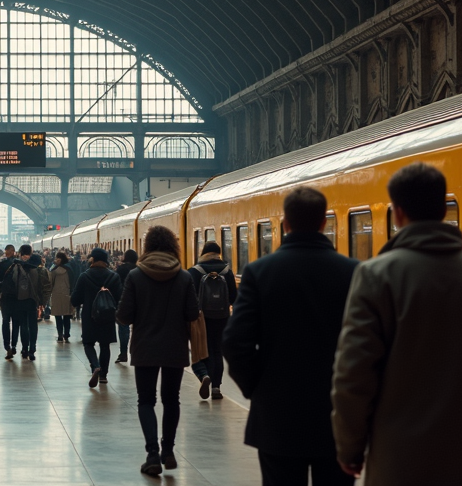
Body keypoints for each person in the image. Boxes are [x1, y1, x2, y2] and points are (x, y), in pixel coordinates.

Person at [332, 164, 462, 486]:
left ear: (397, 213)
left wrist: (350, 448)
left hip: (399, 457)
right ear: (444, 208)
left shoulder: (375, 276)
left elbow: (354, 373)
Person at [221, 187, 358, 486]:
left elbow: (234, 342)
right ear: (324, 223)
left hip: (277, 416)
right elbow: (367, 346)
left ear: (285, 224)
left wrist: (257, 389)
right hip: (336, 414)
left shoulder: (259, 272)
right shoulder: (354, 272)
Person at [116, 226, 198, 476]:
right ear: (173, 247)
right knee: (172, 400)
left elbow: (124, 315)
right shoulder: (184, 277)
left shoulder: (136, 276)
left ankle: (152, 454)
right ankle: (169, 450)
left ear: (148, 246)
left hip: (145, 347)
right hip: (175, 347)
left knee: (146, 400)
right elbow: (193, 314)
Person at [187, 242, 237, 400]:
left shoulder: (195, 271)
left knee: (203, 349)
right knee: (217, 350)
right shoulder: (227, 271)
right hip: (222, 317)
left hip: (202, 318)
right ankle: (216, 387)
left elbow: (189, 296)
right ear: (219, 253)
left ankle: (205, 376)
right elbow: (234, 297)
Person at [71, 248, 122, 386]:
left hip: (89, 315)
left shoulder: (84, 276)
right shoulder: (114, 277)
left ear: (92, 259)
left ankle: (95, 366)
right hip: (108, 315)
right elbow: (120, 298)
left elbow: (75, 299)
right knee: (105, 345)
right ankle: (103, 375)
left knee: (88, 344)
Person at [0, 244, 21, 358]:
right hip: (17, 297)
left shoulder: (1, 264)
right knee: (16, 322)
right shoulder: (20, 264)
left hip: (5, 296)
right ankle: (14, 345)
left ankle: (7, 346)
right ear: (14, 251)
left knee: (6, 321)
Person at [113, 249, 138, 363]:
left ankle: (123, 353)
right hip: (137, 301)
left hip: (123, 300)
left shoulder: (121, 269)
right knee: (138, 327)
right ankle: (135, 351)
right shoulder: (139, 270)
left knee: (123, 327)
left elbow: (116, 284)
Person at [49, 252, 74, 342]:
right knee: (67, 316)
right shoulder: (69, 269)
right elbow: (73, 281)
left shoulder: (54, 270)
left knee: (58, 316)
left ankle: (60, 335)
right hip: (67, 294)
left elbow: (50, 282)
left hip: (56, 295)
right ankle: (66, 334)